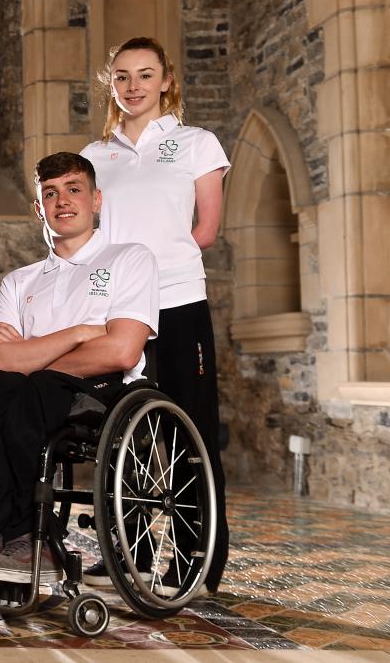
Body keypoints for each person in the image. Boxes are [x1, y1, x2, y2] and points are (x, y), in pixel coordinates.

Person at [0, 152, 159, 583]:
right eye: (50, 193)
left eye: (74, 190)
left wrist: (30, 352)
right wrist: (79, 333)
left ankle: (26, 539)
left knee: (24, 392)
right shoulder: (20, 281)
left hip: (102, 392)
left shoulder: (130, 258)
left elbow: (123, 351)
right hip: (25, 390)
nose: (63, 201)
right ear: (39, 208)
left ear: (96, 200)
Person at [80, 36, 231, 593]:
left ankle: (199, 559)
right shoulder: (95, 158)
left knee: (189, 431)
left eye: (146, 75)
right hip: (120, 313)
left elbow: (206, 230)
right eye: (122, 76)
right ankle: (132, 553)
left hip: (178, 302)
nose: (134, 86)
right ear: (110, 83)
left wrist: (158, 272)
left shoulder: (196, 143)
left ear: (166, 79)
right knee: (125, 436)